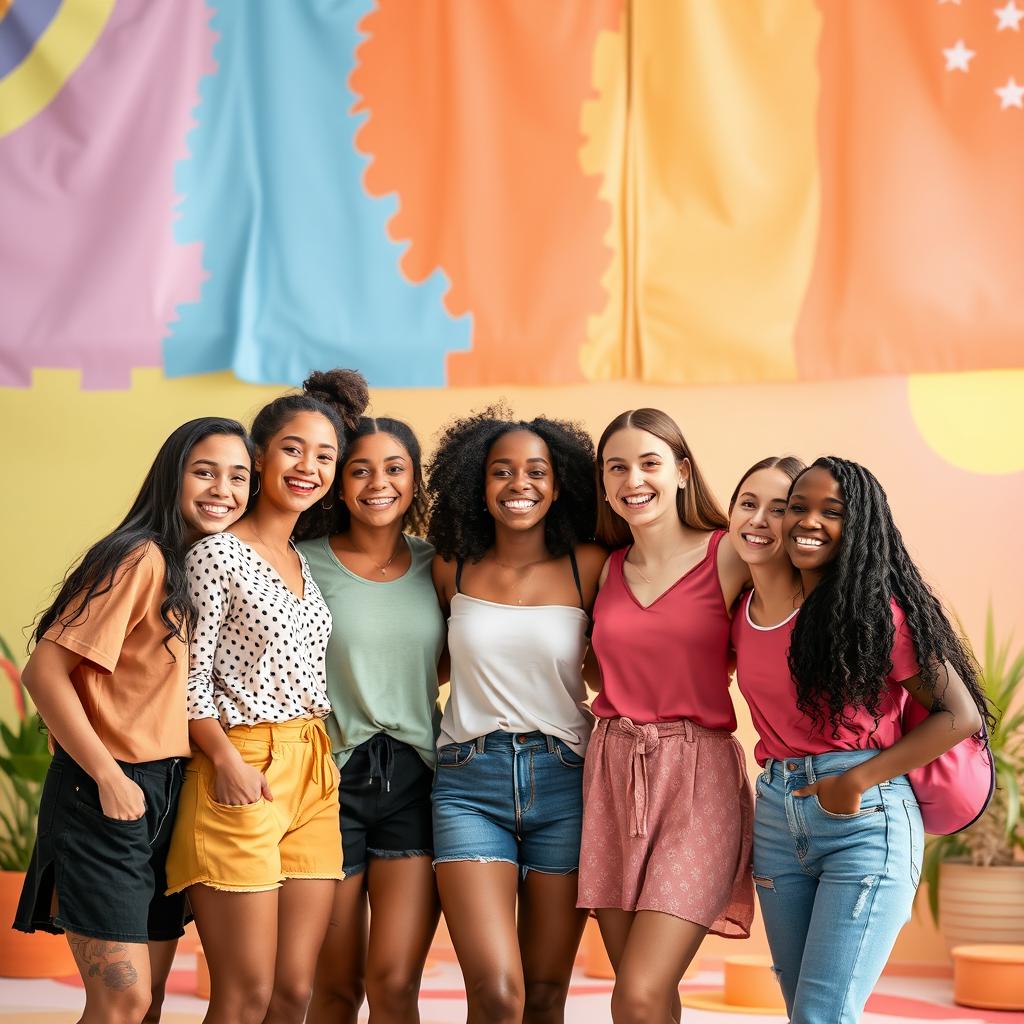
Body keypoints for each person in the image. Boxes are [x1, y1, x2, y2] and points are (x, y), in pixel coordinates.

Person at [730, 455, 989, 1024]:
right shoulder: (748, 610)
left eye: (833, 511)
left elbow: (959, 713)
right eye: (799, 507)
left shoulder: (877, 615)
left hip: (864, 817)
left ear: (862, 525)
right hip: (776, 815)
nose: (808, 521)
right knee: (805, 1010)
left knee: (822, 1013)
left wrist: (855, 781)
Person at [14, 418, 254, 1024]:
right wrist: (107, 775)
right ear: (171, 476)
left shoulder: (198, 566)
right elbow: (44, 672)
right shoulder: (138, 557)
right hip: (108, 792)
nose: (222, 489)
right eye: (204, 471)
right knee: (123, 1000)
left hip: (171, 792)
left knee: (147, 1002)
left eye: (238, 476)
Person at [164, 380, 367, 1024]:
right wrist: (225, 760)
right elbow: (188, 679)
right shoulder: (216, 552)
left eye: (325, 456)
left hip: (314, 765)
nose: (309, 468)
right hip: (241, 760)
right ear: (258, 458)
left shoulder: (301, 560)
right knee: (245, 994)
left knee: (293, 993)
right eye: (293, 450)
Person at [426, 406, 606, 1024]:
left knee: (547, 992)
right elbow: (427, 661)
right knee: (498, 994)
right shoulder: (451, 566)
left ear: (559, 485)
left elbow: (611, 666)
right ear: (478, 484)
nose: (519, 484)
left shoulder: (592, 565)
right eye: (501, 471)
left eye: (536, 471)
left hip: (568, 782)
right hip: (467, 783)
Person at [579, 408, 754, 1024]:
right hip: (611, 773)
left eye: (650, 463)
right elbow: (598, 668)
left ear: (681, 471)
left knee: (639, 992)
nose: (634, 479)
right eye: (617, 467)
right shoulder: (604, 568)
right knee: (641, 994)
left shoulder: (729, 553)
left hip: (697, 776)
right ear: (603, 483)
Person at [299, 378, 444, 1024]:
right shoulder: (302, 561)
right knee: (333, 990)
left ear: (414, 481)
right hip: (328, 782)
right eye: (359, 470)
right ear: (337, 481)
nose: (377, 482)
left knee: (392, 985)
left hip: (416, 779)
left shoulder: (435, 564)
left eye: (394, 468)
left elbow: (451, 657)